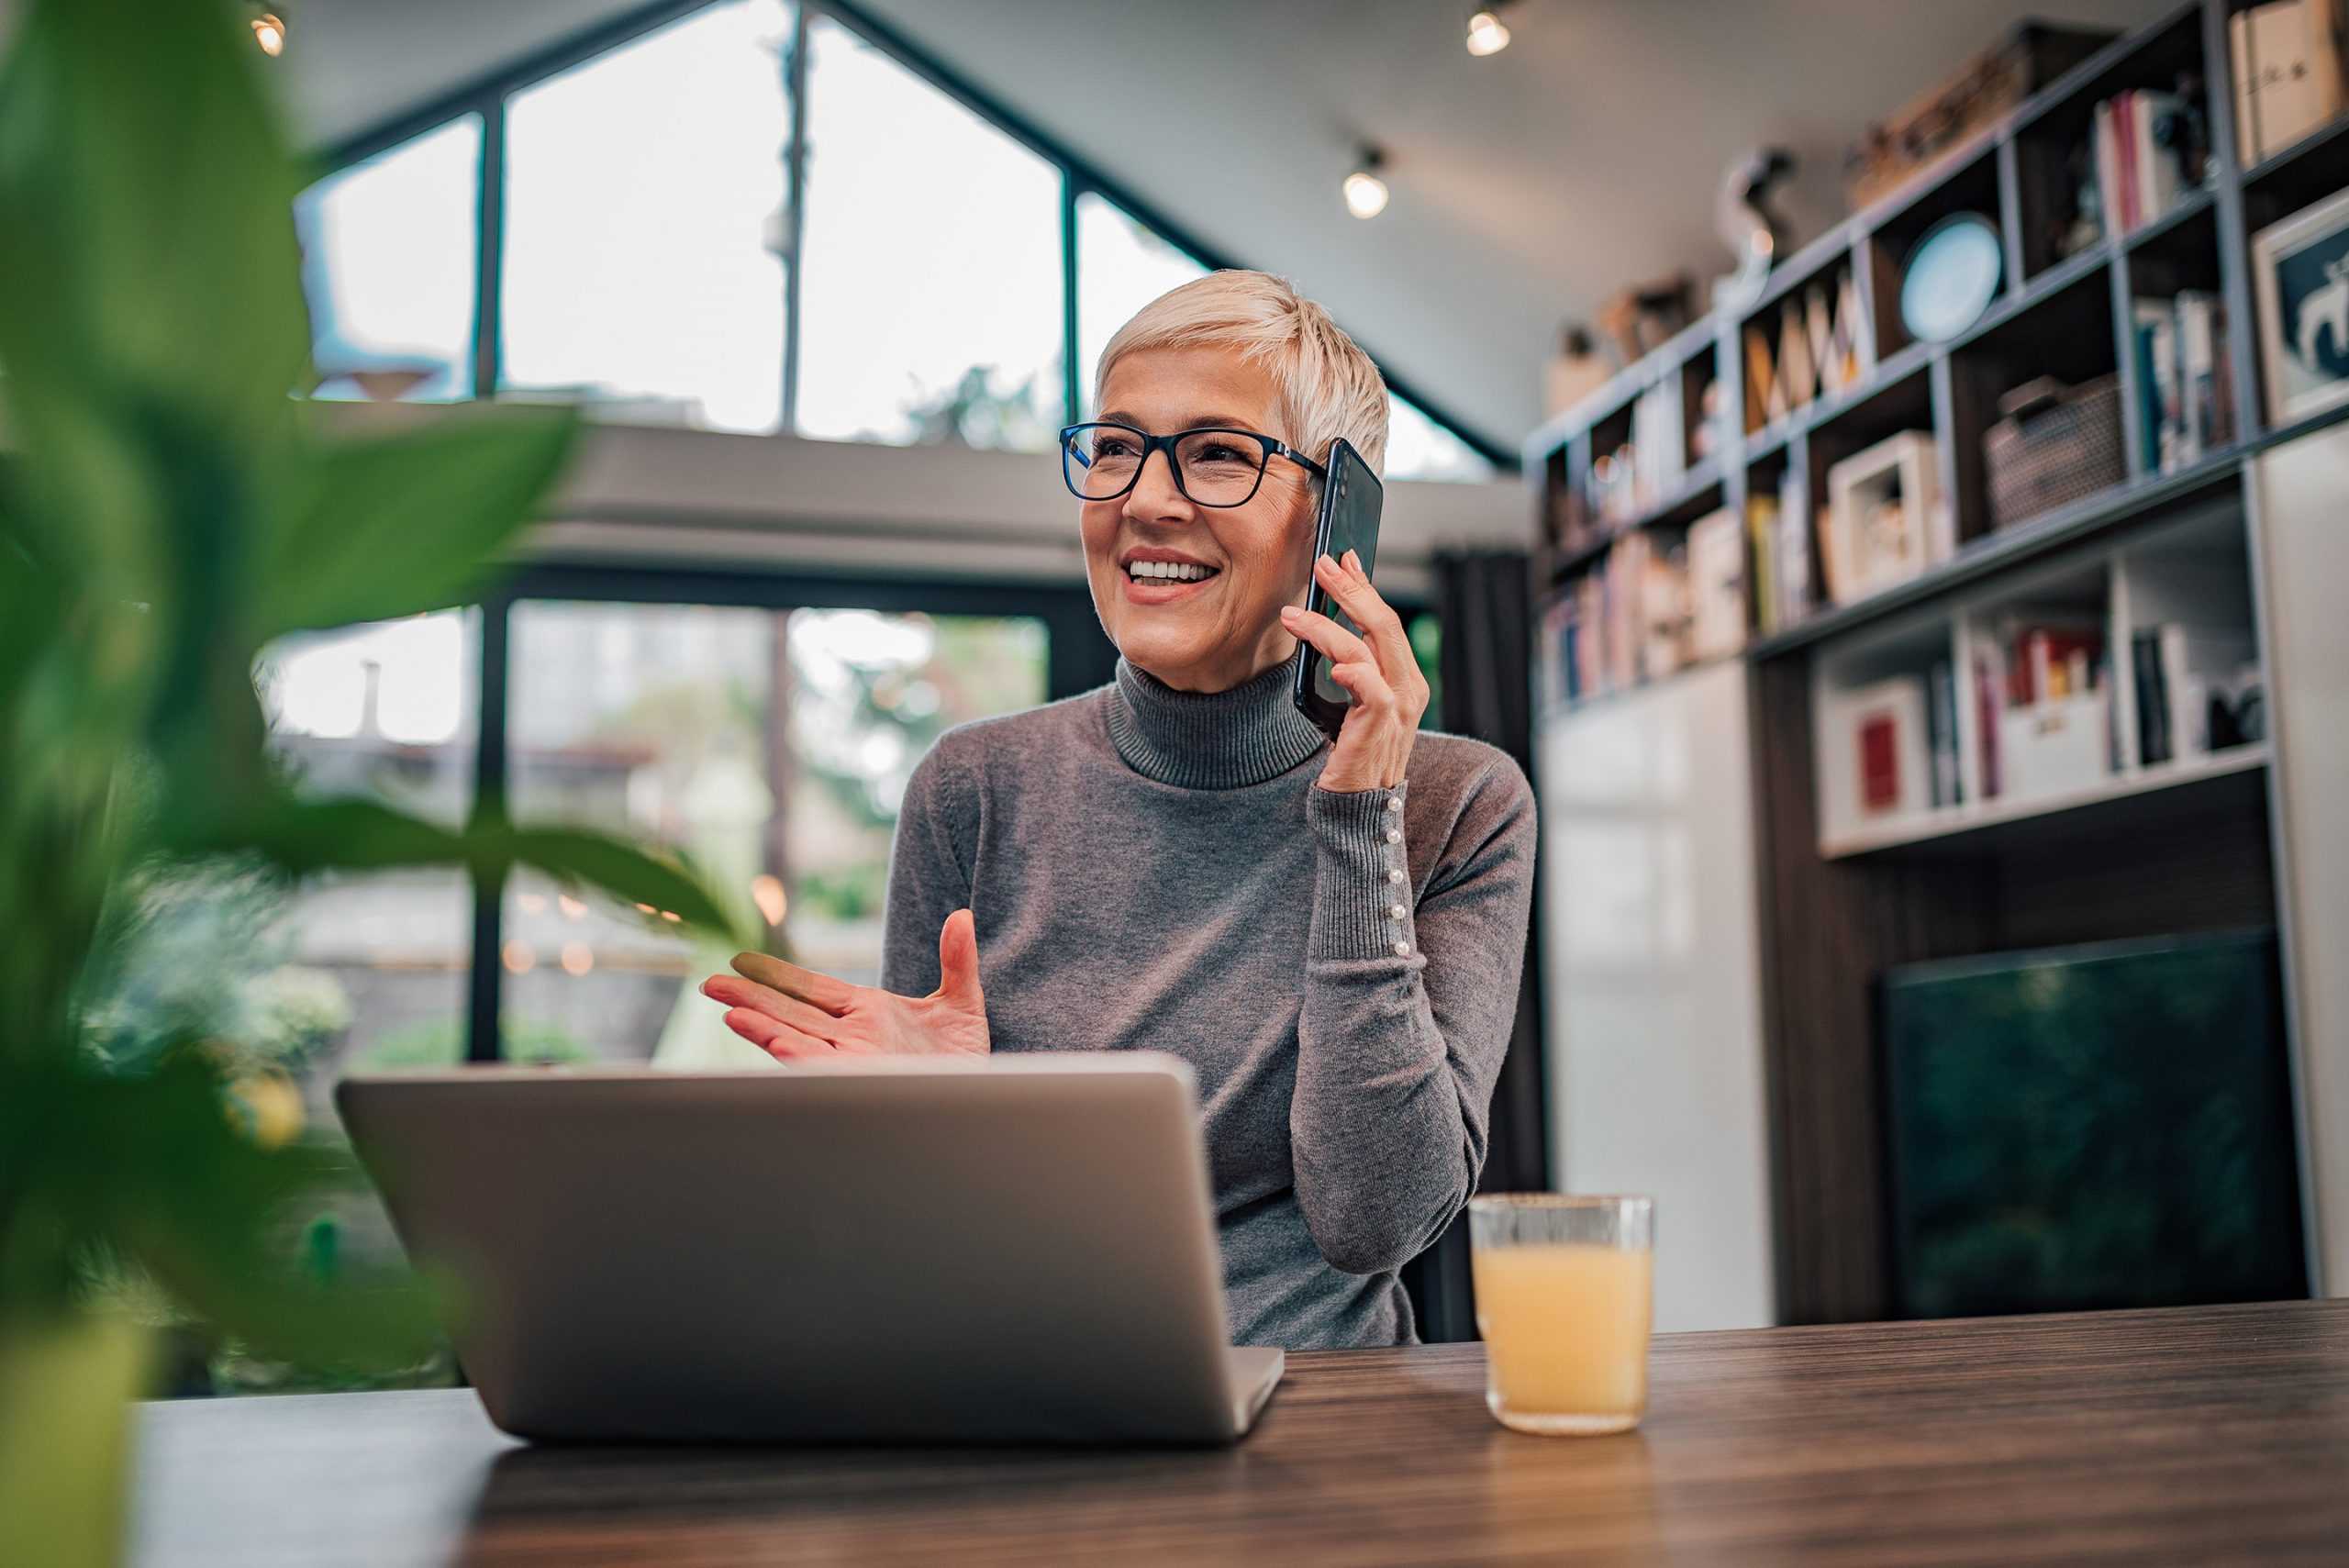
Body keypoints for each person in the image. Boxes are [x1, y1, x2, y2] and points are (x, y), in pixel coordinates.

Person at [699, 270, 1536, 1350]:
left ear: (1341, 518)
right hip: (1028, 1407)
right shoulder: (972, 789)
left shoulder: (1454, 803)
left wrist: (1359, 816)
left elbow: (1375, 1217)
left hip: (1322, 1431)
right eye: (1115, 447)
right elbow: (908, 1248)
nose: (1146, 498)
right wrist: (943, 1131)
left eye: (1219, 453)